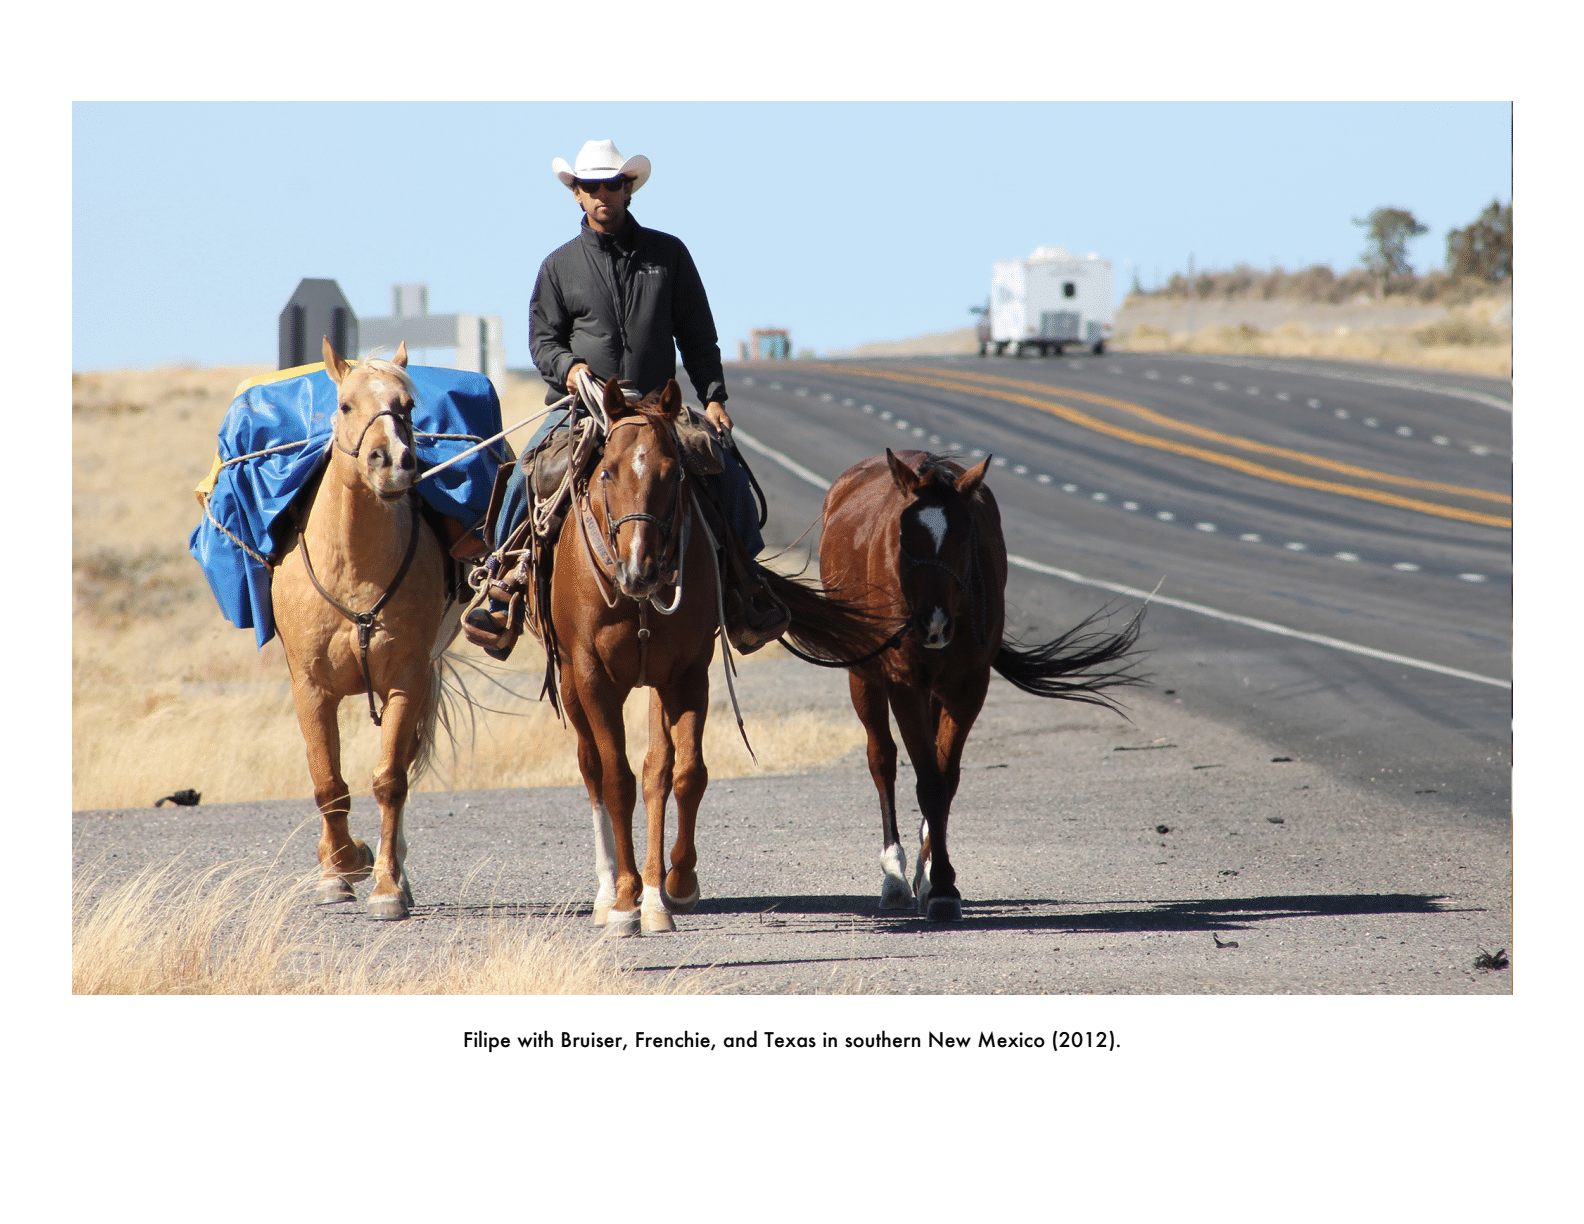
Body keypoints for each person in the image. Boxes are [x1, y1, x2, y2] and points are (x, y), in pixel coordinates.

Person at [465, 138, 788, 658]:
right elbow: (543, 340)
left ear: (628, 188)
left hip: (658, 406)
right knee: (529, 468)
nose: (601, 196)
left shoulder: (669, 255)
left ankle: (747, 588)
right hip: (583, 407)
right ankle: (502, 586)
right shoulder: (558, 266)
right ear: (576, 194)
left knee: (723, 468)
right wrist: (569, 370)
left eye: (611, 185)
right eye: (590, 187)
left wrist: (713, 398)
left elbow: (698, 334)